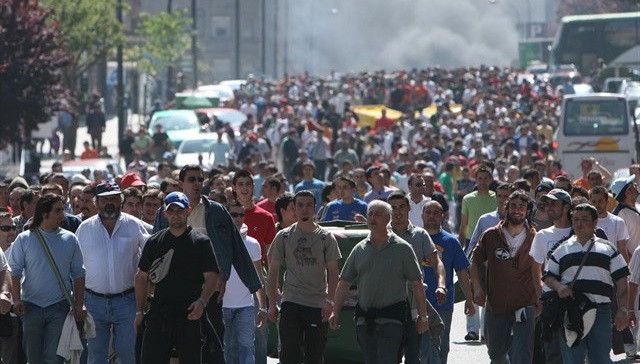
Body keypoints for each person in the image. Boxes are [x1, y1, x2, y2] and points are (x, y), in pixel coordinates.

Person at [153, 164, 261, 362]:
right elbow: (156, 250)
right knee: (177, 348)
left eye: (200, 180)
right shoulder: (166, 212)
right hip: (175, 292)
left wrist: (230, 278)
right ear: (181, 184)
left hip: (209, 290)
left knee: (213, 346)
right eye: (191, 179)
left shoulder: (217, 211)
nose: (196, 184)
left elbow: (236, 247)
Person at [329, 200, 429, 364]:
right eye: (370, 214)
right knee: (371, 360)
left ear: (388, 218)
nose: (373, 218)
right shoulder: (359, 249)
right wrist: (336, 311)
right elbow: (344, 283)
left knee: (387, 359)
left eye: (378, 214)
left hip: (393, 319)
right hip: (364, 320)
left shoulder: (403, 248)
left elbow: (417, 284)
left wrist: (423, 317)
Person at [134, 192, 219, 363]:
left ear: (188, 211)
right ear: (165, 213)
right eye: (171, 211)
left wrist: (202, 302)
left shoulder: (201, 242)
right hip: (159, 313)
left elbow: (212, 277)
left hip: (189, 314)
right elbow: (141, 277)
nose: (175, 215)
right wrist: (140, 311)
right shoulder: (155, 241)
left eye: (179, 210)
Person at [543, 203, 629, 363]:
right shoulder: (561, 249)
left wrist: (623, 309)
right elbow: (548, 276)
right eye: (575, 219)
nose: (579, 223)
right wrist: (559, 286)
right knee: (572, 360)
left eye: (584, 219)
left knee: (600, 359)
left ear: (595, 222)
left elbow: (622, 281)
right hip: (570, 312)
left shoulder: (608, 249)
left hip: (601, 313)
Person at [75, 182, 149, 364]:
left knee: (127, 354)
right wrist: (78, 301)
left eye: (114, 198)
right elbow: (75, 267)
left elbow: (152, 255)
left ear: (120, 201)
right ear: (96, 202)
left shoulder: (134, 225)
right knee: (96, 356)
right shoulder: (84, 229)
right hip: (93, 302)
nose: (110, 203)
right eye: (105, 199)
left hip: (127, 301)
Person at [8, 193, 86, 364]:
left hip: (59, 308)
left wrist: (79, 304)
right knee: (33, 358)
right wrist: (17, 300)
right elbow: (15, 271)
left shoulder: (70, 239)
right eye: (58, 210)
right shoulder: (24, 238)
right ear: (44, 213)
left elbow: (79, 273)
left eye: (63, 210)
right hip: (31, 307)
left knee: (54, 359)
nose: (63, 215)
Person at [267, 190, 341, 364]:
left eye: (308, 205)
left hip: (317, 305)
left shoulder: (326, 237)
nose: (304, 209)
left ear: (314, 208)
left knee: (314, 356)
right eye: (299, 205)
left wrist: (330, 301)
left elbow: (333, 272)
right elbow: (273, 271)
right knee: (288, 355)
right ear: (294, 208)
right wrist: (271, 304)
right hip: (291, 302)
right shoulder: (284, 236)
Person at [471, 190, 539, 363]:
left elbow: (542, 270)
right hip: (496, 303)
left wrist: (540, 298)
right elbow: (475, 261)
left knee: (522, 354)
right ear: (506, 208)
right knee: (496, 353)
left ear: (528, 211)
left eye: (522, 207)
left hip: (526, 303)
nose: (517, 210)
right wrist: (477, 289)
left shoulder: (535, 238)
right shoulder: (491, 235)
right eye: (513, 206)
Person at [387, 192, 446, 364]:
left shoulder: (420, 235)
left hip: (414, 303)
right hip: (387, 303)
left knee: (414, 356)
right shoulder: (381, 235)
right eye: (393, 208)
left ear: (408, 208)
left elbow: (437, 262)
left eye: (401, 207)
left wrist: (441, 285)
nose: (397, 212)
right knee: (390, 356)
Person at [422, 201, 475, 364]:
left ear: (443, 217)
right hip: (417, 302)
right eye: (428, 212)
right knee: (420, 347)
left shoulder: (451, 241)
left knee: (441, 346)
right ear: (422, 215)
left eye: (436, 212)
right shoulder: (415, 238)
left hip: (442, 304)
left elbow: (462, 271)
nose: (432, 216)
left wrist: (469, 299)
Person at [223, 200, 268, 364]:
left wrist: (263, 307)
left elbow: (259, 277)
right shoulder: (217, 242)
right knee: (226, 348)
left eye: (241, 214)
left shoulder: (253, 244)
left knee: (247, 347)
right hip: (222, 305)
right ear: (227, 215)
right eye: (234, 214)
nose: (238, 218)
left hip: (246, 306)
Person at [0, 212, 19, 363]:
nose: (12, 231)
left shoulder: (20, 250)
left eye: (13, 227)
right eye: (6, 228)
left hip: (11, 315)